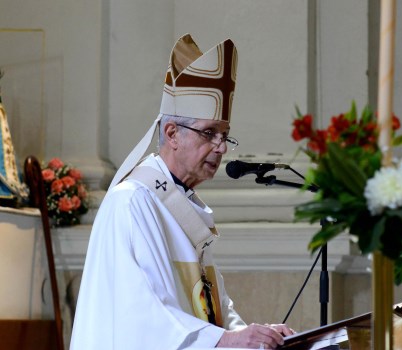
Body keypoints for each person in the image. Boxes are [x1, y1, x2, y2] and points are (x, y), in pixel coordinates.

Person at [70, 34, 293, 349]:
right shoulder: (133, 201)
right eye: (209, 133)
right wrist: (228, 340)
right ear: (172, 133)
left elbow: (212, 307)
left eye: (225, 135)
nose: (221, 147)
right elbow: (141, 317)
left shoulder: (184, 205)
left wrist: (256, 337)